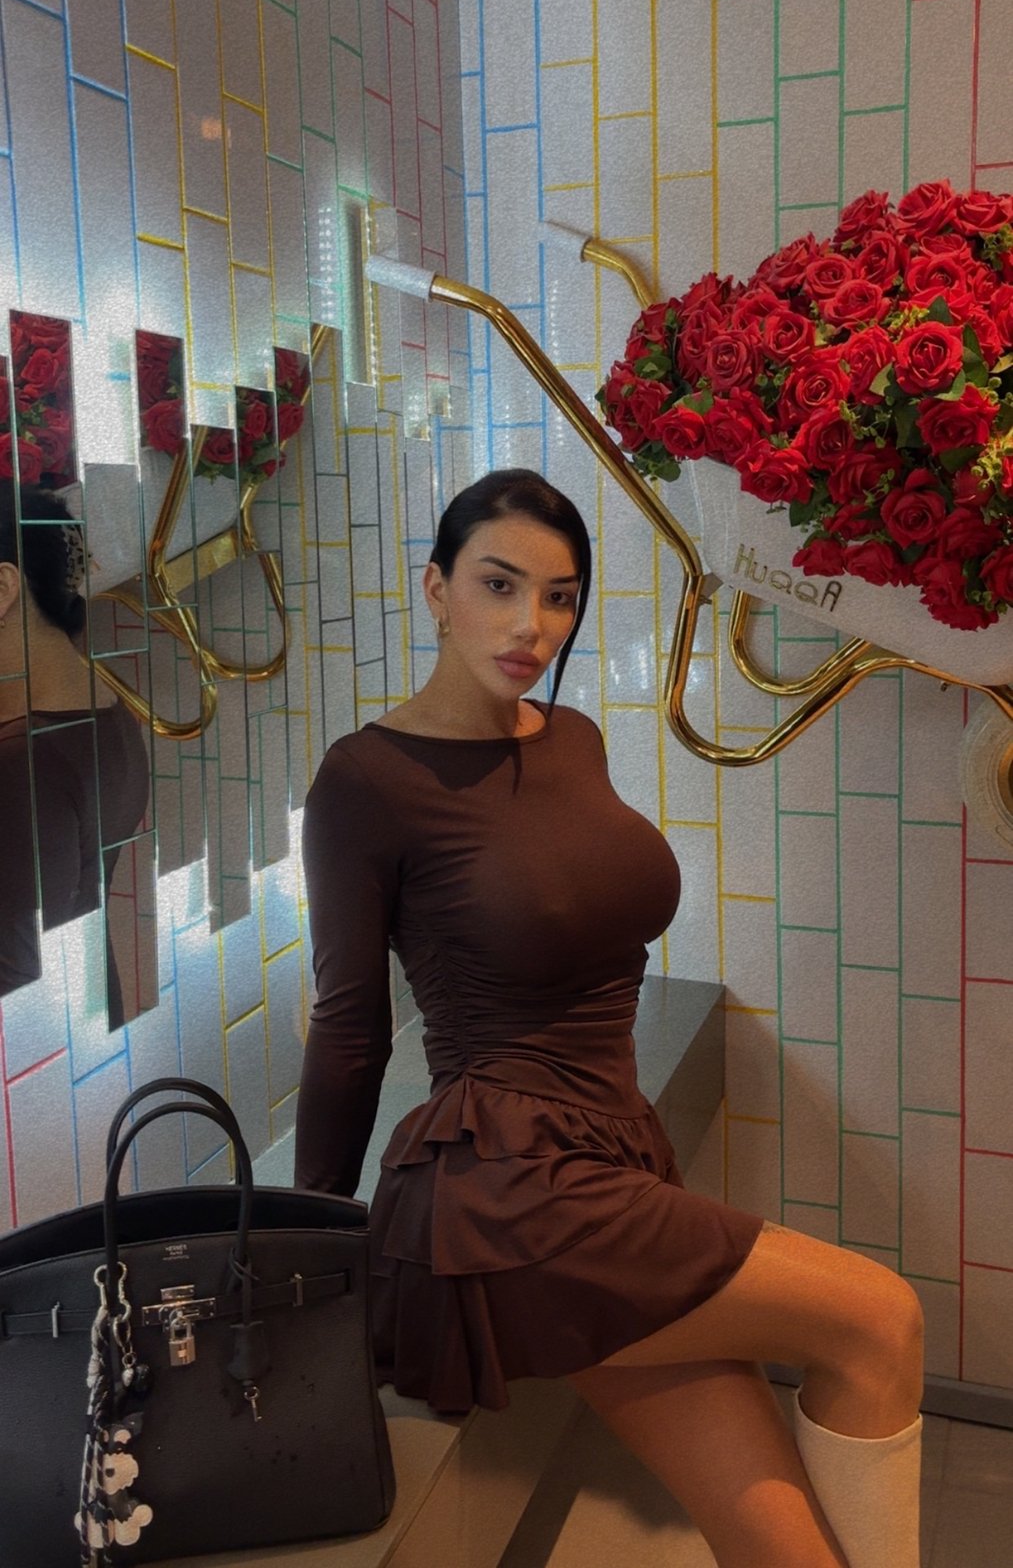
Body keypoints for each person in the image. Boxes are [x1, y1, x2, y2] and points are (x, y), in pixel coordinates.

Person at [295, 468, 924, 1568]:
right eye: (498, 585)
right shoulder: (366, 780)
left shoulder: (570, 737)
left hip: (614, 1155)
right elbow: (349, 1026)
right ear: (436, 589)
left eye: (559, 596)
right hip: (506, 1192)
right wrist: (306, 1245)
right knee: (879, 1318)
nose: (530, 625)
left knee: (782, 1549)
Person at [0, 483, 151, 1019]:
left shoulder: (22, 763)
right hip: (83, 1023)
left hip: (36, 1044)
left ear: (3, 587)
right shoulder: (107, 706)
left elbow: (15, 977)